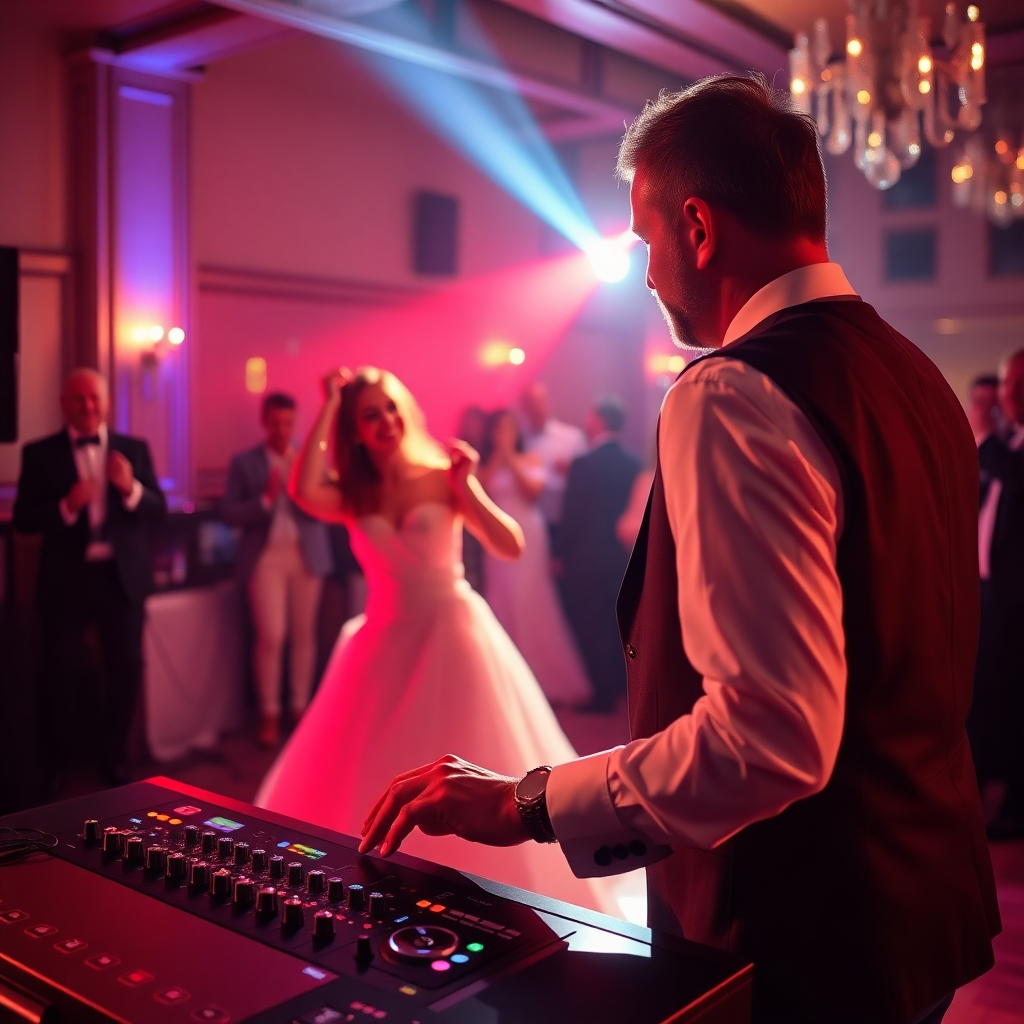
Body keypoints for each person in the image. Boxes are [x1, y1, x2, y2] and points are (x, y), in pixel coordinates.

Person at [359, 76, 999, 1024]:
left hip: (800, 938)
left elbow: (768, 736)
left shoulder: (730, 393)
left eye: (644, 240)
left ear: (697, 228)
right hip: (920, 913)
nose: (649, 272)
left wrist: (527, 803)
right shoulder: (918, 376)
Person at [255, 367, 624, 916]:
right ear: (353, 430)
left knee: (466, 751)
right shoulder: (354, 494)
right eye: (371, 413)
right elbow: (301, 488)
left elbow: (510, 545)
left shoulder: (441, 474)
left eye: (393, 407)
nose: (387, 420)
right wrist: (331, 399)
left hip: (452, 633)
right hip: (380, 639)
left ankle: (486, 888)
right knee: (367, 767)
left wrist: (468, 485)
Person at [13, 368, 166, 791]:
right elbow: (24, 520)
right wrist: (67, 505)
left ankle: (113, 757)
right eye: (79, 399)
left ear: (107, 402)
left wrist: (130, 487)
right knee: (57, 669)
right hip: (66, 579)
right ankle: (57, 763)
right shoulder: (39, 453)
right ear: (64, 404)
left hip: (120, 578)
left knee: (127, 667)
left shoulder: (133, 448)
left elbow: (158, 509)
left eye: (95, 398)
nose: (88, 406)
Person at [223, 392, 333, 747]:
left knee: (304, 633)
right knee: (271, 634)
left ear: (295, 421)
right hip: (265, 557)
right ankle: (269, 712)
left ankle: (298, 707)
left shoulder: (309, 458)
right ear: (264, 421)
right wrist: (267, 500)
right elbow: (230, 514)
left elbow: (327, 510)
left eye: (287, 422)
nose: (281, 429)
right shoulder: (245, 462)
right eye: (274, 422)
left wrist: (300, 492)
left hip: (306, 555)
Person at [478, 409, 591, 707]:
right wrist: (496, 457)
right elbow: (482, 493)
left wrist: (509, 455)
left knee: (529, 599)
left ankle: (543, 681)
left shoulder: (530, 460)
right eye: (498, 429)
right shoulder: (486, 463)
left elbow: (532, 492)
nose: (504, 433)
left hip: (527, 533)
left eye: (509, 428)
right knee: (501, 599)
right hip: (495, 536)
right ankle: (504, 681)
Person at [970, 351, 1024, 840]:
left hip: (1015, 602)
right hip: (990, 594)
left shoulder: (1008, 453)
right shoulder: (1004, 451)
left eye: (1014, 384)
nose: (1009, 394)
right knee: (985, 694)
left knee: (1008, 700)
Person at [556, 398, 641, 711]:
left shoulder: (583, 464)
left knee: (591, 625)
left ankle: (602, 696)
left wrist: (560, 553)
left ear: (599, 421)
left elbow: (572, 515)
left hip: (586, 557)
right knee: (618, 622)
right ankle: (621, 686)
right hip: (621, 556)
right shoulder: (632, 463)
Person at [521, 381, 586, 543]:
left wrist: (572, 470)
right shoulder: (520, 441)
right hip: (530, 520)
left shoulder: (572, 437)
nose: (537, 408)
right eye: (531, 403)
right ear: (525, 407)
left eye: (540, 401)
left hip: (565, 520)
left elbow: (588, 479)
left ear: (548, 402)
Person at [455, 405, 489, 594]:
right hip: (467, 515)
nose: (473, 427)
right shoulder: (459, 453)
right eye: (470, 422)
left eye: (477, 422)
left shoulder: (489, 452)